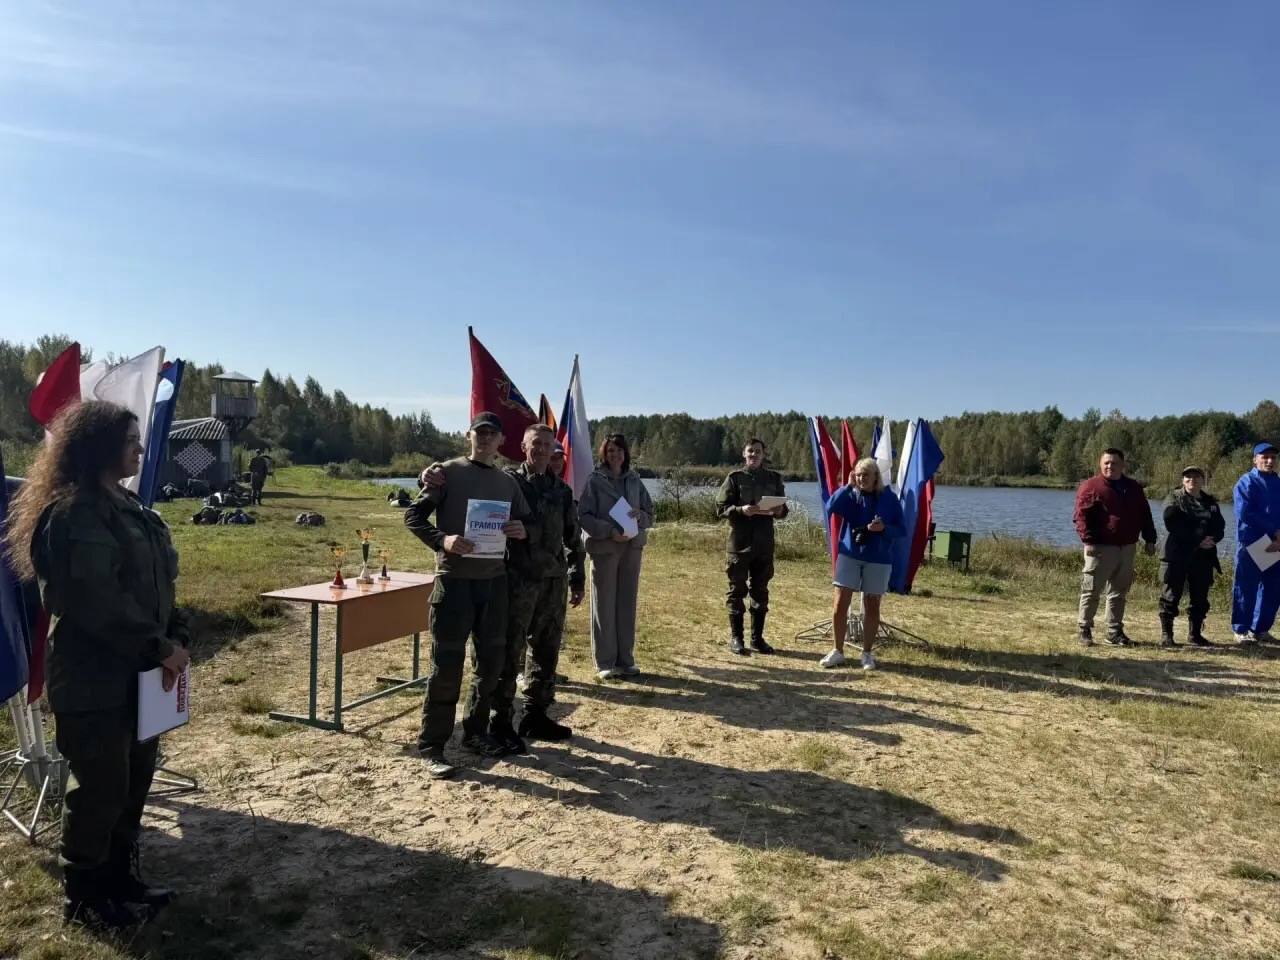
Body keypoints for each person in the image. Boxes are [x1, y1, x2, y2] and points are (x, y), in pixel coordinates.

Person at [4, 401, 191, 930]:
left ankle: (119, 880)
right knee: (100, 790)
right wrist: (160, 648)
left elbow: (161, 588)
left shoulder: (132, 507)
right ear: (98, 446)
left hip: (145, 675)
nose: (140, 448)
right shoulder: (74, 513)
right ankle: (85, 897)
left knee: (133, 782)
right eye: (130, 440)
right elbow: (93, 602)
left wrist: (178, 637)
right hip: (95, 680)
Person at [420, 424, 585, 749]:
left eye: (547, 445)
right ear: (523, 447)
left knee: (547, 650)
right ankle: (501, 720)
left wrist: (577, 576)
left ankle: (535, 715)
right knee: (509, 653)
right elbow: (469, 484)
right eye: (535, 444)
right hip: (516, 579)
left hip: (553, 581)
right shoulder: (509, 481)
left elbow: (572, 535)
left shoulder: (562, 490)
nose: (541, 450)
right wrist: (426, 475)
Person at [404, 412, 529, 779]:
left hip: (494, 584)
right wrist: (442, 540)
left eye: (492, 433)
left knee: (490, 666)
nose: (485, 438)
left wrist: (521, 530)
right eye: (480, 432)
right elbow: (413, 517)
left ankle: (475, 734)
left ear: (501, 440)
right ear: (469, 436)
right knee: (446, 666)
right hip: (454, 583)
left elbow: (525, 522)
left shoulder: (507, 482)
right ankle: (432, 746)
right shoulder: (447, 473)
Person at [578, 434, 653, 679]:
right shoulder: (594, 480)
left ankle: (626, 660)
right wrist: (609, 531)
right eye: (610, 450)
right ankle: (605, 662)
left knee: (626, 603)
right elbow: (584, 516)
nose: (615, 455)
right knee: (604, 604)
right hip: (605, 549)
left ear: (625, 453)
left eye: (619, 450)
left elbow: (650, 514)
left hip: (632, 549)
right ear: (604, 453)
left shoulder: (634, 480)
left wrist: (640, 516)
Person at [820, 458, 905, 670]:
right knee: (840, 602)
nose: (861, 478)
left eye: (865, 475)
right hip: (849, 555)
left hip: (878, 558)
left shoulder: (889, 499)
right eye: (858, 475)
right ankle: (837, 651)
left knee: (872, 605)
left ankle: (866, 654)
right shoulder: (851, 494)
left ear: (876, 476)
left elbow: (902, 529)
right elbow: (830, 506)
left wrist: (884, 529)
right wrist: (847, 486)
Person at [1073, 449, 1157, 647]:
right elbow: (1081, 517)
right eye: (1106, 463)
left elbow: (1145, 514)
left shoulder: (1133, 488)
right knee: (1091, 589)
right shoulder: (1090, 486)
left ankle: (1114, 631)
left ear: (1122, 465)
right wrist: (1088, 541)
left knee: (1119, 592)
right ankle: (1084, 629)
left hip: (1127, 547)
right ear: (1100, 464)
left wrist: (1150, 539)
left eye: (1114, 463)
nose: (1110, 466)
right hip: (1100, 548)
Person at [715, 438, 787, 655]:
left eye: (758, 451)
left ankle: (757, 639)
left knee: (760, 592)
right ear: (744, 454)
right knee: (736, 591)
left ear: (763, 454)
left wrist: (779, 510)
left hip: (764, 545)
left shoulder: (774, 478)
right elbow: (720, 508)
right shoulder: (734, 478)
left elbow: (783, 510)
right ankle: (737, 639)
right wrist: (740, 510)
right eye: (750, 451)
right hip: (739, 544)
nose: (754, 455)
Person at [1159, 466, 1225, 647]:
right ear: (1183, 480)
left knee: (1200, 597)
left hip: (1203, 556)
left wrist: (1213, 539)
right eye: (1187, 477)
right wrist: (1197, 540)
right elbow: (1171, 522)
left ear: (1203, 480)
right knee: (1170, 595)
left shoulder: (1210, 501)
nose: (1192, 480)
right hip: (1177, 554)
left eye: (1196, 477)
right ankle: (1167, 635)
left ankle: (1195, 635)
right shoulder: (1174, 498)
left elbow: (1219, 526)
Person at [1231, 442, 1280, 646]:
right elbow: (1245, 513)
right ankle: (1241, 630)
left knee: (1272, 588)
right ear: (1255, 460)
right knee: (1246, 587)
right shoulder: (1246, 482)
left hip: (1276, 543)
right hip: (1252, 542)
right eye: (1264, 457)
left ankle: (1260, 629)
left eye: (1273, 458)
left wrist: (1278, 538)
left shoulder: (1278, 483)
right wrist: (1273, 530)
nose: (1269, 461)